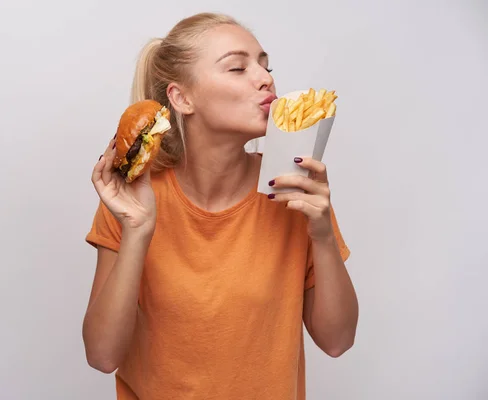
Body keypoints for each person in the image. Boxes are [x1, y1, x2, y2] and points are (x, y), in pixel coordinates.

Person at [82, 12, 358, 400]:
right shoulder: (133, 199)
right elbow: (102, 354)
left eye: (265, 65)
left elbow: (337, 341)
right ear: (181, 97)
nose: (266, 79)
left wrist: (324, 236)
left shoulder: (293, 192)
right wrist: (138, 231)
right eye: (237, 67)